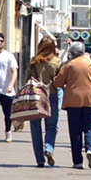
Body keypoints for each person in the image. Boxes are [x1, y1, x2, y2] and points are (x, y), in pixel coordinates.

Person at [53, 42, 91, 169]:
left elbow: (59, 83)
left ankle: (77, 161)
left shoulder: (69, 65)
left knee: (75, 130)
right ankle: (89, 149)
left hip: (73, 100)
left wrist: (54, 79)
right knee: (90, 127)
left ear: (71, 53)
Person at [25, 37, 62, 167]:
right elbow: (60, 82)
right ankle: (49, 148)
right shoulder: (57, 62)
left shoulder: (33, 62)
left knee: (35, 128)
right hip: (51, 96)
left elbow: (26, 80)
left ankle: (40, 160)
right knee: (51, 127)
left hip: (35, 96)